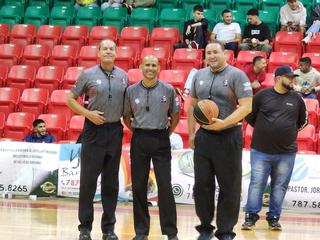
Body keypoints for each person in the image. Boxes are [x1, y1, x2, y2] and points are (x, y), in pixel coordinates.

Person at [187, 41, 253, 240]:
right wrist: (191, 133)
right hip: (204, 138)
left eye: (216, 52)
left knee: (229, 186)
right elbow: (192, 106)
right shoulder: (198, 75)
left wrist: (223, 123)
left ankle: (225, 231)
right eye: (208, 53)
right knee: (201, 185)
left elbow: (246, 106)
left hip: (229, 136)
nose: (212, 56)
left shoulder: (237, 75)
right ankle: (205, 228)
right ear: (204, 56)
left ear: (225, 54)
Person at [66, 39, 129, 240]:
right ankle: (84, 229)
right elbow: (69, 99)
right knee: (88, 182)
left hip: (114, 131)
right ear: (99, 52)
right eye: (105, 48)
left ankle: (108, 229)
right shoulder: (87, 74)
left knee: (111, 184)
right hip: (93, 131)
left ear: (116, 53)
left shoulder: (124, 76)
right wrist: (88, 114)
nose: (109, 51)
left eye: (112, 48)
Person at [241, 65, 308, 232]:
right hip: (261, 150)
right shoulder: (262, 95)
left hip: (286, 152)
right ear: (278, 78)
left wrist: (287, 131)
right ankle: (250, 217)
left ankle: (274, 218)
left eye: (294, 78)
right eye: (289, 77)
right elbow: (249, 115)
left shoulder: (297, 99)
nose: (293, 81)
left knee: (280, 186)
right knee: (257, 184)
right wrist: (265, 129)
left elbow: (302, 121)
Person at [123, 55, 180, 240]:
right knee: (139, 186)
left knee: (165, 186)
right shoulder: (131, 90)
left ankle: (171, 232)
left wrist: (165, 134)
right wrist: (139, 131)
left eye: (154, 65)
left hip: (161, 138)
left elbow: (175, 115)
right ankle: (141, 232)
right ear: (141, 67)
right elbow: (126, 117)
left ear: (159, 68)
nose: (150, 68)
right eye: (147, 64)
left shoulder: (168, 89)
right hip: (139, 138)